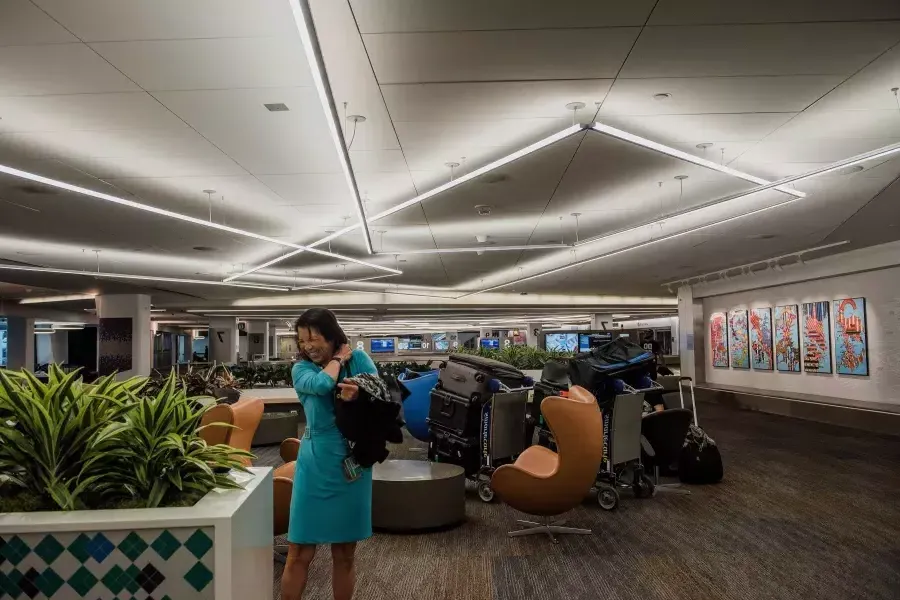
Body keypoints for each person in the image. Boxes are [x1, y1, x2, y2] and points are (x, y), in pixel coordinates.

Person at [281, 308, 378, 600]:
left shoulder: (359, 359)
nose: (308, 346)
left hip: (353, 462)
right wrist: (338, 359)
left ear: (332, 335)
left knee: (346, 552)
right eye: (302, 341)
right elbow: (322, 385)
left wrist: (358, 394)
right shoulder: (301, 370)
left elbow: (380, 395)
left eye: (314, 338)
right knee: (299, 551)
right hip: (316, 462)